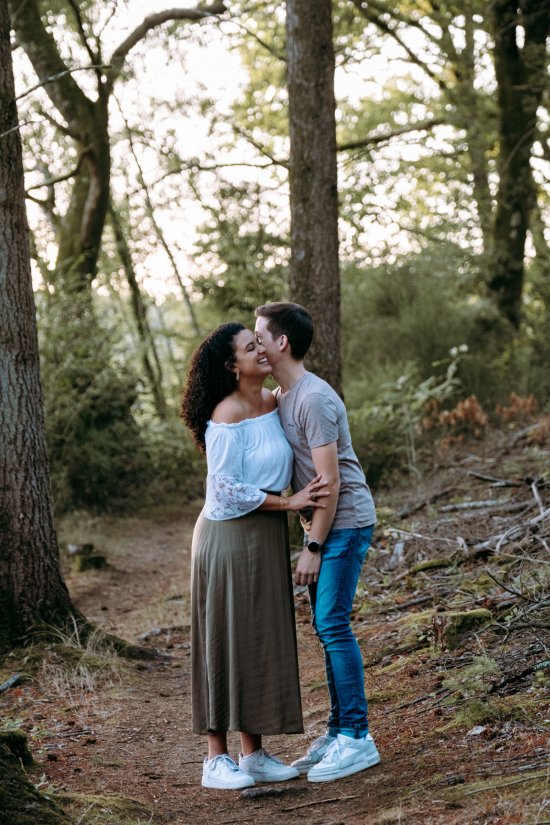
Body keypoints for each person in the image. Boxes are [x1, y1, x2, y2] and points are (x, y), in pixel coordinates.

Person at [180, 322, 329, 791]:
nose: (260, 350)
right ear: (232, 366)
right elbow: (222, 491)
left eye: (258, 342)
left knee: (257, 638)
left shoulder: (273, 402)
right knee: (224, 637)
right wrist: (290, 503)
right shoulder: (225, 414)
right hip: (227, 537)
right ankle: (214, 758)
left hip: (265, 536)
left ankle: (254, 754)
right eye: (250, 348)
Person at [254, 302, 380, 783]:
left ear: (281, 342)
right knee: (326, 627)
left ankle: (358, 737)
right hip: (323, 527)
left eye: (260, 335)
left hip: (343, 523)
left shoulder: (313, 398)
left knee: (332, 623)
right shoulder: (285, 396)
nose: (256, 342)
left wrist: (314, 547)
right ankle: (338, 728)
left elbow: (331, 483)